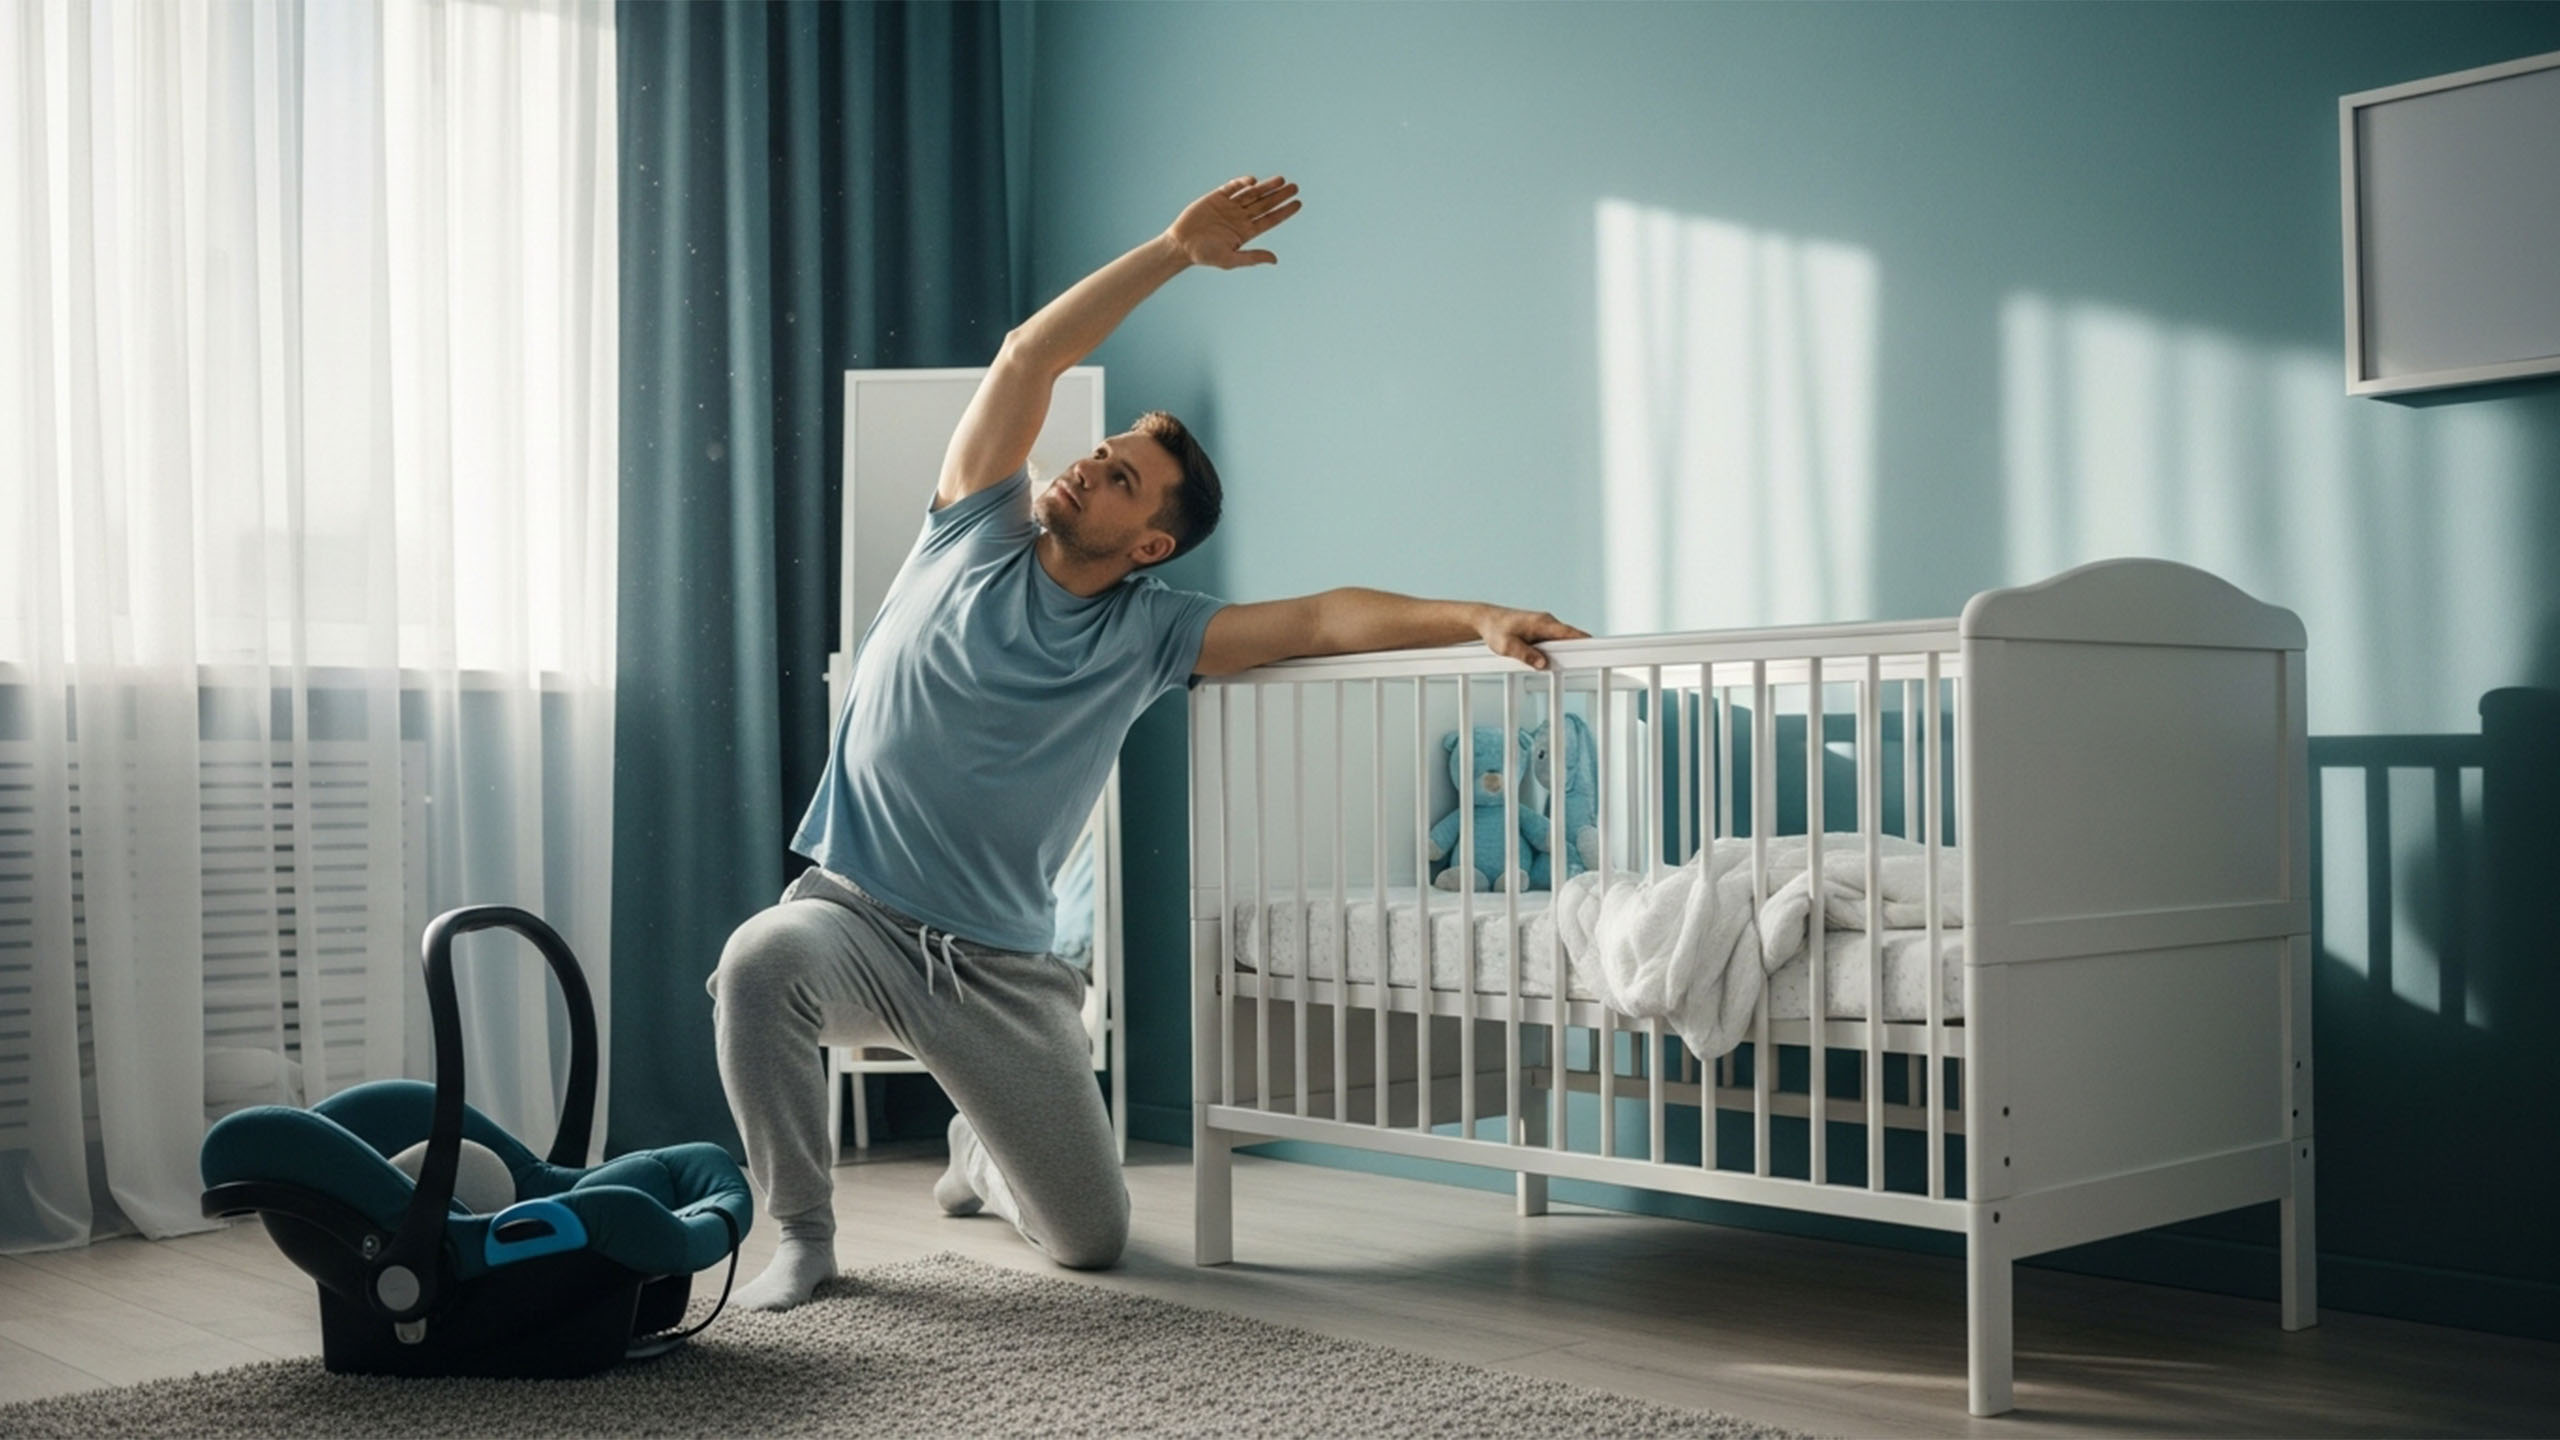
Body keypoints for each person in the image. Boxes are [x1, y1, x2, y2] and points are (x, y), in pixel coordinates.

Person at [708, 174, 1589, 1311]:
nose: (1086, 465)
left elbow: (1321, 619)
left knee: (1091, 1244)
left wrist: (1471, 616)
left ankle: (981, 1151)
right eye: (1101, 452)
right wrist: (1174, 250)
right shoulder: (972, 530)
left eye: (1121, 475)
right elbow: (1027, 357)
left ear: (1151, 540)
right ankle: (806, 1235)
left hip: (998, 970)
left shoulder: (1153, 634)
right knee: (754, 961)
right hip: (852, 919)